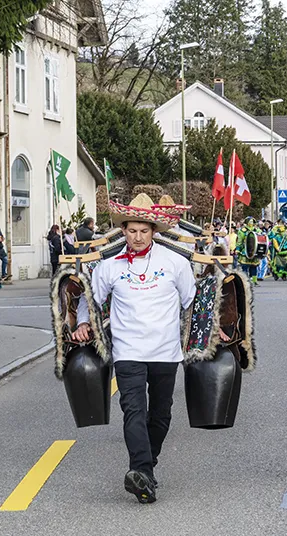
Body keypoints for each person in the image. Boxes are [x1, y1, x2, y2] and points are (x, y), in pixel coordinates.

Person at [70, 194, 198, 504]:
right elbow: (91, 298)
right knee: (133, 412)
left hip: (166, 352)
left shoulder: (175, 263)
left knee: (161, 415)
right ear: (123, 231)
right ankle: (139, 470)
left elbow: (191, 302)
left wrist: (208, 331)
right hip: (128, 352)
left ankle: (147, 469)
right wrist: (84, 322)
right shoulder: (110, 267)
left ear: (153, 231)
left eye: (143, 231)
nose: (137, 237)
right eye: (131, 231)